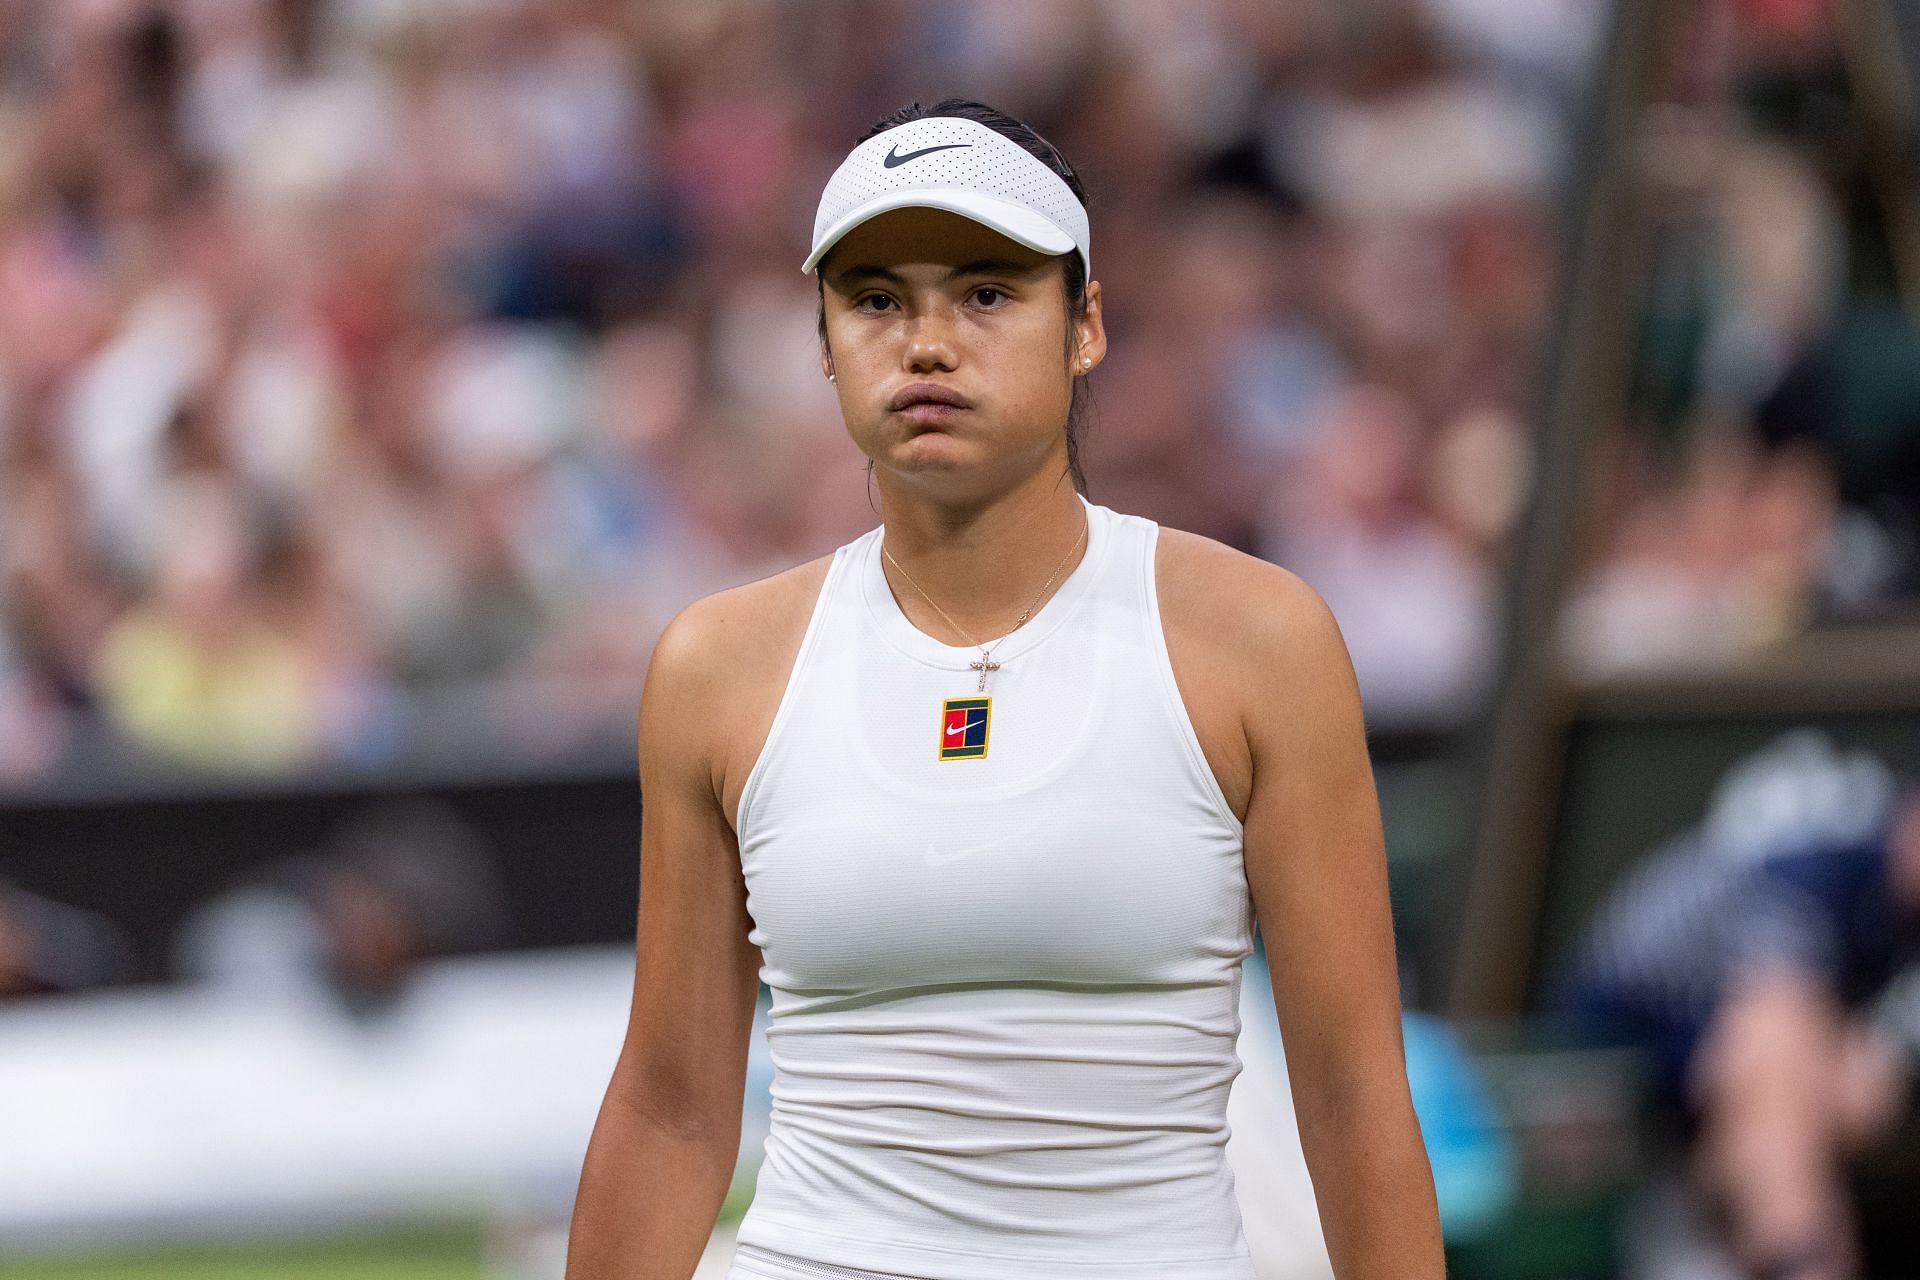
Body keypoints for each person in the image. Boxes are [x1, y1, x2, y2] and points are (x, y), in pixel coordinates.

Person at [565, 98, 1443, 1280]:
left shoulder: (1261, 641)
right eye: (876, 299)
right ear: (824, 343)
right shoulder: (714, 667)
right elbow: (671, 1104)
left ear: (1084, 325)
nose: (927, 342)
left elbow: (1350, 1092)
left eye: (987, 292)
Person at [1551, 729, 1920, 1280]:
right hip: (1616, 1045)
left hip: (1725, 1120)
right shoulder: (1829, 851)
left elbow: (1865, 1096)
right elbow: (1767, 1030)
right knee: (1773, 1061)